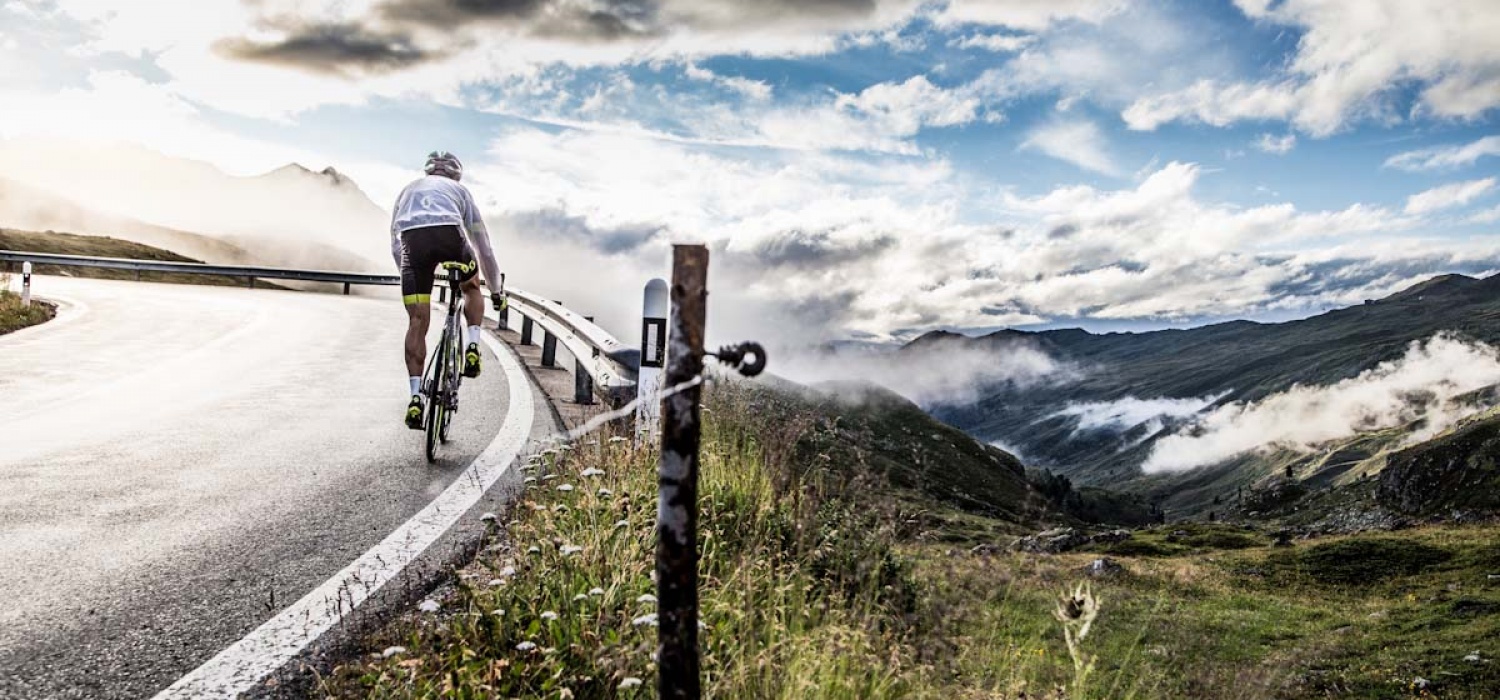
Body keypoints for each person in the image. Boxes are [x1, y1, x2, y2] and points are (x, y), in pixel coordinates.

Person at [390, 151, 504, 429]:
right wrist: (497, 290)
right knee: (471, 285)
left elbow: (395, 243)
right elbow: (482, 244)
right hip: (449, 236)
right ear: (456, 174)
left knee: (417, 321)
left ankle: (416, 397)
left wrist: (409, 274)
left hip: (412, 245)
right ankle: (473, 344)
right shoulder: (460, 191)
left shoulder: (406, 191)